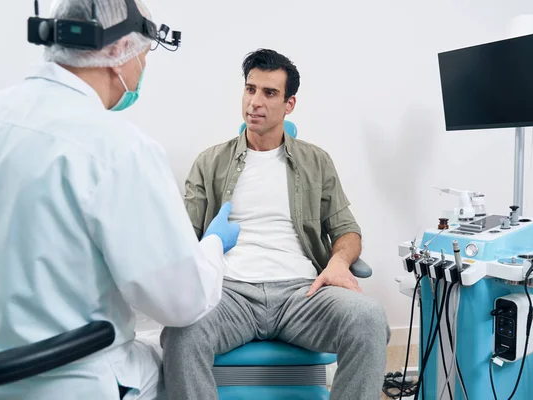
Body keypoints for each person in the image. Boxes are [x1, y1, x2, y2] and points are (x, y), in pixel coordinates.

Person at [0, 1, 239, 399]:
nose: (143, 69)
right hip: (72, 382)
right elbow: (182, 301)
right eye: (144, 55)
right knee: (169, 363)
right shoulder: (119, 148)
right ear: (117, 52)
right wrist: (214, 245)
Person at [160, 49, 390, 400]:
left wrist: (339, 262)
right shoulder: (210, 162)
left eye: (269, 93)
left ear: (289, 104)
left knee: (369, 318)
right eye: (250, 89)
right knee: (181, 332)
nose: (255, 102)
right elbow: (184, 239)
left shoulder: (316, 161)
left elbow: (347, 230)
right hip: (230, 293)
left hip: (302, 294)